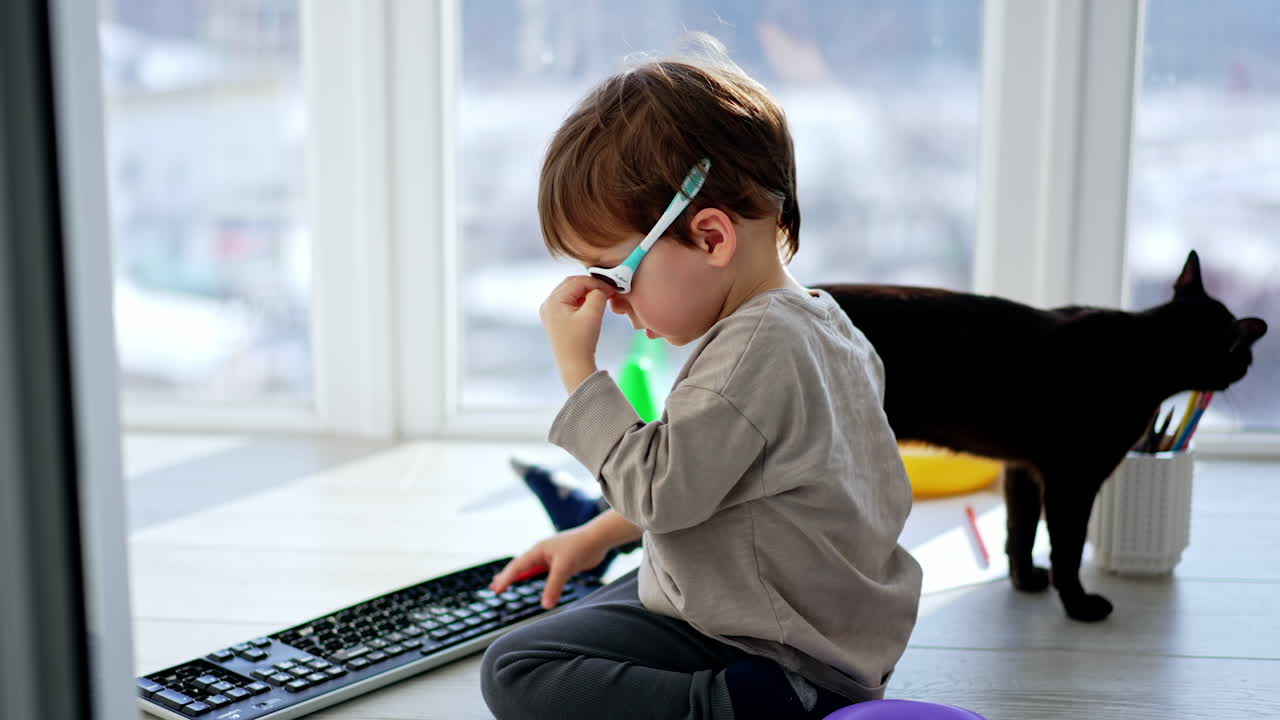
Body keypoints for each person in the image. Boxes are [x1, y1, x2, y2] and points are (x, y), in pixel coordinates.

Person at [479, 37, 922, 720]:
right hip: (817, 615)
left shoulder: (752, 353)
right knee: (627, 586)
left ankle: (740, 707)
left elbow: (663, 491)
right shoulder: (822, 322)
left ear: (712, 238)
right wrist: (595, 537)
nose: (612, 305)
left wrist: (579, 370)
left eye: (612, 275)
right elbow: (712, 479)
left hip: (780, 645)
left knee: (516, 666)